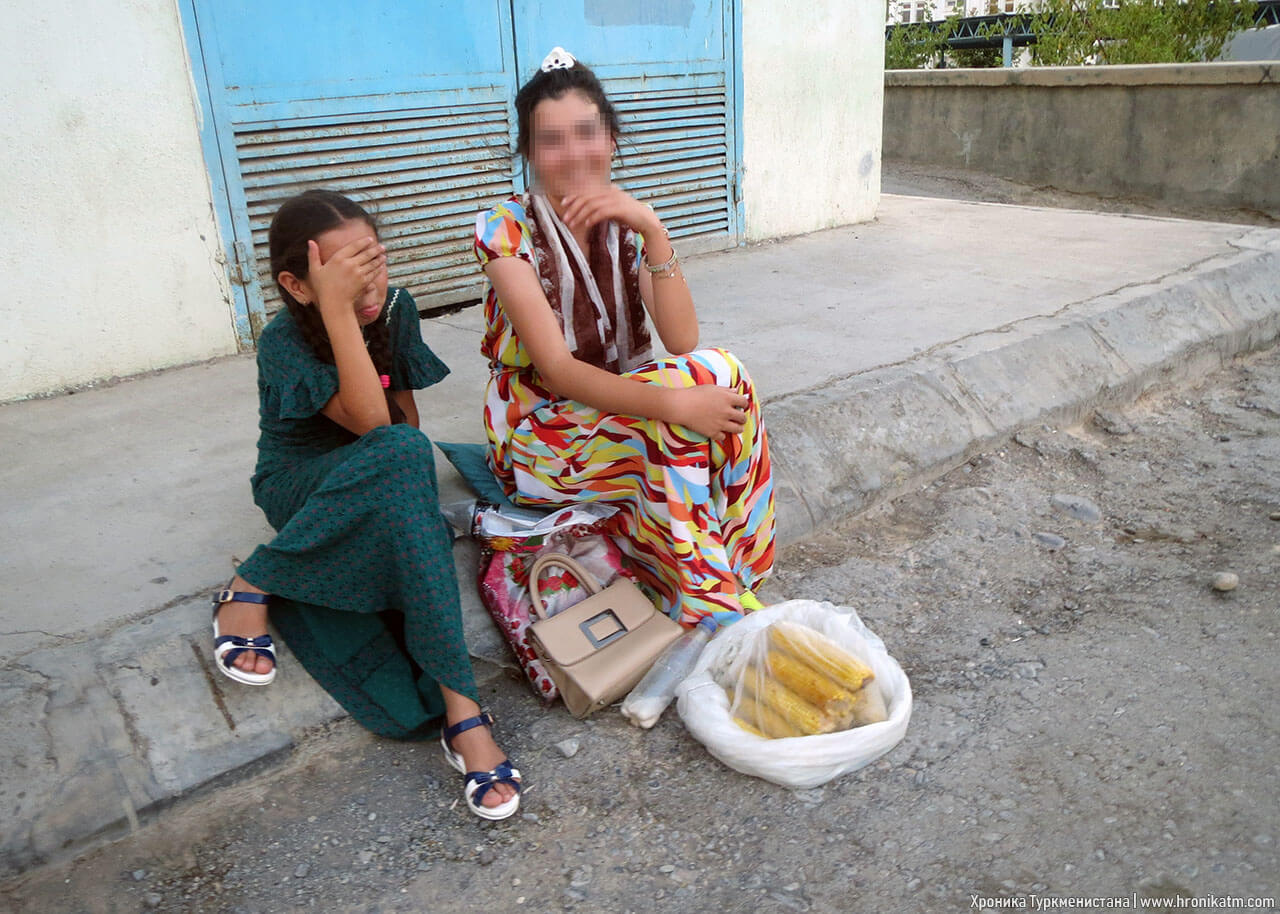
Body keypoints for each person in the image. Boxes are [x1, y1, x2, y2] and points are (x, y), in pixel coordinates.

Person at [210, 189, 522, 820]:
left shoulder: (397, 307)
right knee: (401, 452)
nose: (371, 284)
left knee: (409, 469)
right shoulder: (283, 340)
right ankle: (259, 575)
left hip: (382, 472)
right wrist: (338, 313)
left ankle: (458, 709)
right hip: (303, 486)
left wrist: (404, 489)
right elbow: (372, 423)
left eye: (374, 262)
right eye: (347, 274)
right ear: (300, 287)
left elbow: (401, 417)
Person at [474, 48, 776, 628]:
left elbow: (682, 338)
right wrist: (675, 401)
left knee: (723, 371)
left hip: (611, 417)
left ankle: (737, 574)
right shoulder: (503, 228)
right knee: (677, 404)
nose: (573, 154)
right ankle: (706, 603)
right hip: (541, 438)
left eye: (587, 133)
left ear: (612, 138)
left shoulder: (628, 221)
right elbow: (559, 372)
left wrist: (654, 231)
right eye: (551, 140)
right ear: (530, 153)